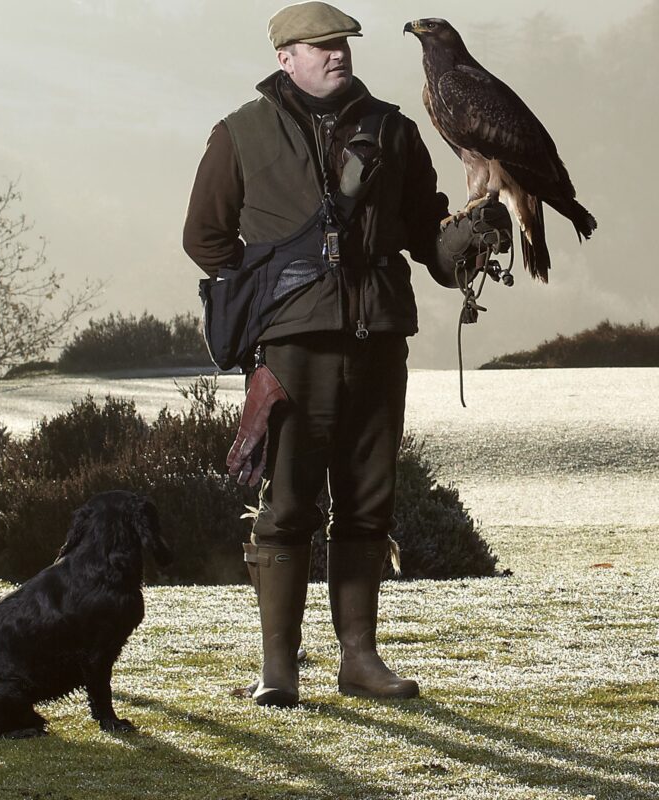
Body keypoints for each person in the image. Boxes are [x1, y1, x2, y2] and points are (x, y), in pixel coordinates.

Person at [183, 1, 511, 707]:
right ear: (285, 58)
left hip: (379, 339)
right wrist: (273, 288)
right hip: (293, 347)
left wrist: (466, 243)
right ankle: (280, 668)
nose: (337, 54)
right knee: (288, 506)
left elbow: (428, 231)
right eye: (321, 45)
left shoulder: (394, 129)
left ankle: (360, 661)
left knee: (368, 505)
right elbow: (205, 239)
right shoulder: (238, 134)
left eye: (343, 44)